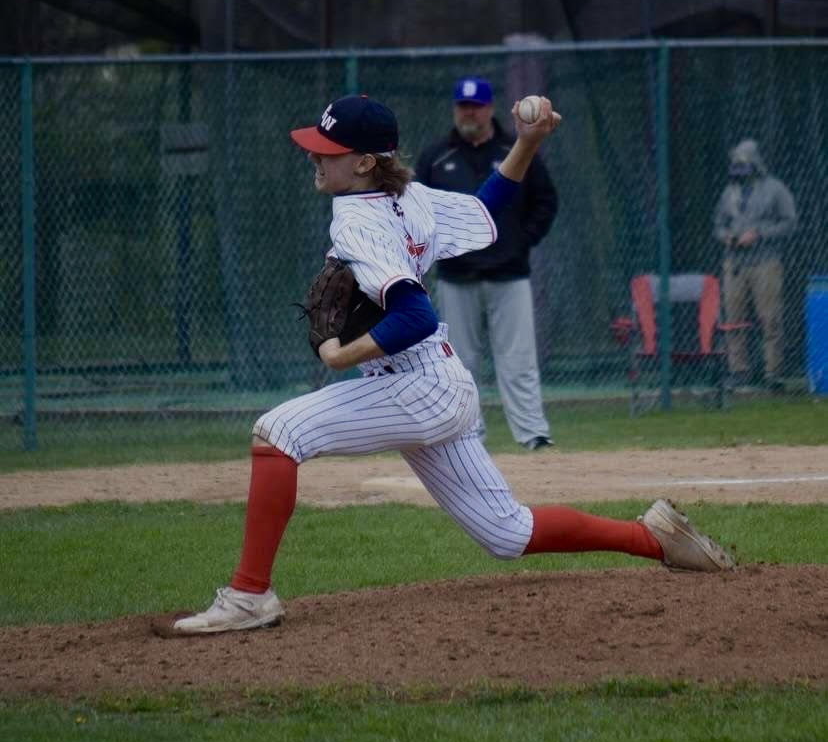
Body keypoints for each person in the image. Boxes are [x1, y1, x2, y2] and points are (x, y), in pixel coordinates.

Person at [172, 93, 734, 635]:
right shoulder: (408, 196)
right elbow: (488, 205)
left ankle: (248, 596)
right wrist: (531, 140)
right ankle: (656, 538)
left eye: (328, 149)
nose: (315, 157)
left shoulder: (356, 222)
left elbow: (413, 316)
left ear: (365, 162)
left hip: (415, 384)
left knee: (277, 434)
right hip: (438, 384)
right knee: (507, 533)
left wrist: (342, 354)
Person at [415, 77, 557, 450]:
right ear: (454, 109)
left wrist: (520, 243)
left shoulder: (516, 148)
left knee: (519, 359)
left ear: (490, 108)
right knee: (459, 362)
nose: (469, 112)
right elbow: (419, 212)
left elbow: (545, 201)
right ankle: (468, 433)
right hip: (456, 276)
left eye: (476, 105)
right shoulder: (436, 156)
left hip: (509, 273)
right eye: (463, 105)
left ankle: (533, 435)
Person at [713, 138, 797, 392]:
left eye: (743, 163)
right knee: (733, 319)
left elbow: (789, 222)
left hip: (765, 262)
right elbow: (718, 224)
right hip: (735, 263)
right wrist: (726, 236)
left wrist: (759, 233)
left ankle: (773, 372)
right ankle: (739, 370)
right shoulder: (729, 192)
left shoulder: (775, 189)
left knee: (769, 317)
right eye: (735, 163)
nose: (739, 168)